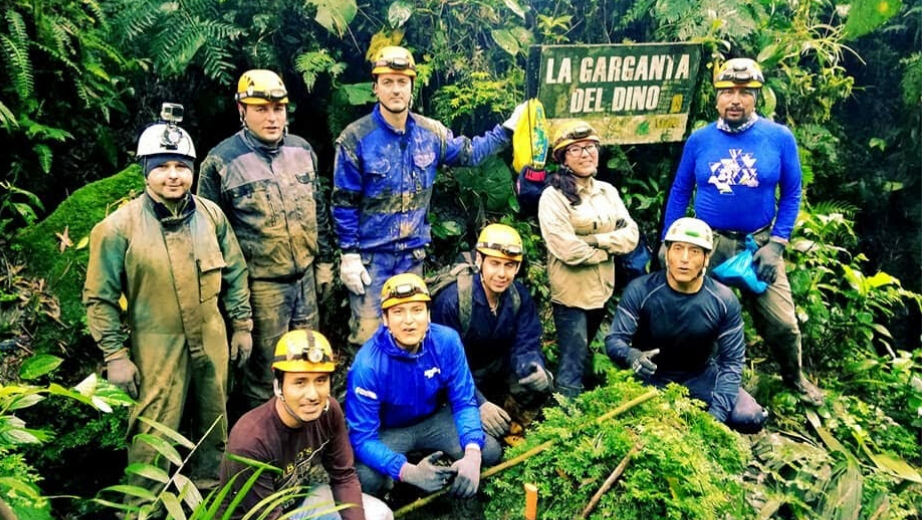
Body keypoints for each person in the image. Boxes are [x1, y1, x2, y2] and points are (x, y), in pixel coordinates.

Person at [84, 105, 253, 491]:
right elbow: (99, 298)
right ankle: (144, 508)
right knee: (152, 433)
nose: (173, 176)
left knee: (215, 423)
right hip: (155, 344)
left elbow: (236, 272)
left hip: (212, 337)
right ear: (146, 171)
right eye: (162, 166)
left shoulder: (211, 216)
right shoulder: (116, 229)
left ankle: (210, 497)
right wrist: (115, 356)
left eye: (181, 166)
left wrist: (241, 325)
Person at [332, 45, 527, 348]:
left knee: (412, 336)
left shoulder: (430, 133)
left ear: (412, 86)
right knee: (369, 339)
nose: (395, 90)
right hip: (371, 260)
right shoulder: (355, 138)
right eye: (387, 82)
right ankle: (367, 396)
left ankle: (409, 396)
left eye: (402, 82)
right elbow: (344, 202)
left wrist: (506, 130)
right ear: (375, 86)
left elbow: (469, 153)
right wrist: (349, 255)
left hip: (412, 256)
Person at [660, 57, 824, 405]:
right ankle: (708, 383)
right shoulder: (700, 140)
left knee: (782, 323)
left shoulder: (778, 138)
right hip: (709, 243)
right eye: (728, 92)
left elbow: (792, 192)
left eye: (745, 93)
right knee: (703, 319)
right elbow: (679, 190)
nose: (736, 100)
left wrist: (777, 243)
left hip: (758, 245)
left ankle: (794, 377)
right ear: (716, 98)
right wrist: (668, 241)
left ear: (756, 97)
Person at [198, 69, 336, 414]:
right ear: (242, 111)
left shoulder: (302, 150)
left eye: (278, 108)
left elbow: (317, 210)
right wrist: (231, 302)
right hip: (260, 288)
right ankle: (265, 454)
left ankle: (307, 438)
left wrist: (324, 263)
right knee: (263, 373)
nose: (272, 117)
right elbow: (211, 238)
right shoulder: (220, 162)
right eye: (261, 109)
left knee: (308, 359)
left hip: (305, 279)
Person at [345, 273, 500, 500]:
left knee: (489, 450)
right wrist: (407, 471)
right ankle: (401, 489)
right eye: (398, 312)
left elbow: (463, 401)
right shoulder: (368, 365)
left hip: (434, 418)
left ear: (428, 314)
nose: (409, 320)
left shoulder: (446, 341)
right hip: (390, 429)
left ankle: (457, 485)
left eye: (417, 310)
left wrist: (473, 453)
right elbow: (361, 437)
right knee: (367, 478)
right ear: (385, 319)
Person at [606, 218, 768, 433]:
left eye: (694, 251)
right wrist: (632, 356)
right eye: (678, 249)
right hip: (652, 377)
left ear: (705, 258)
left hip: (701, 376)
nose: (684, 259)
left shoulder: (723, 299)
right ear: (667, 254)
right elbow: (614, 339)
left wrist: (716, 417)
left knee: (750, 416)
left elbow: (732, 362)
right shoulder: (641, 290)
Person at [220, 330, 393, 520]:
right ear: (278, 384)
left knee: (379, 514)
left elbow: (343, 477)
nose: (312, 395)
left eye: (320, 380)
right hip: (258, 517)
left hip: (298, 502)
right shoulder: (251, 441)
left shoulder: (329, 411)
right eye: (300, 382)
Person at [537, 120, 639, 398]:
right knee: (572, 360)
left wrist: (594, 241)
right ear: (563, 158)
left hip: (601, 290)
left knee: (583, 354)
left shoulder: (607, 192)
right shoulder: (553, 197)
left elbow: (631, 236)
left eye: (591, 147)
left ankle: (579, 408)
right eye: (576, 149)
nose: (586, 154)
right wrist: (609, 247)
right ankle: (563, 421)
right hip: (571, 295)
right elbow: (566, 249)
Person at [430, 223, 553, 443]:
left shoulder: (518, 297)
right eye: (495, 264)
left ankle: (513, 427)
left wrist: (533, 366)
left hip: (496, 371)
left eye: (509, 266)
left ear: (517, 268)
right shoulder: (453, 302)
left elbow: (526, 343)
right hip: (459, 379)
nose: (502, 274)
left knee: (539, 385)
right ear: (480, 261)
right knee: (481, 437)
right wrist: (478, 402)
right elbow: (444, 365)